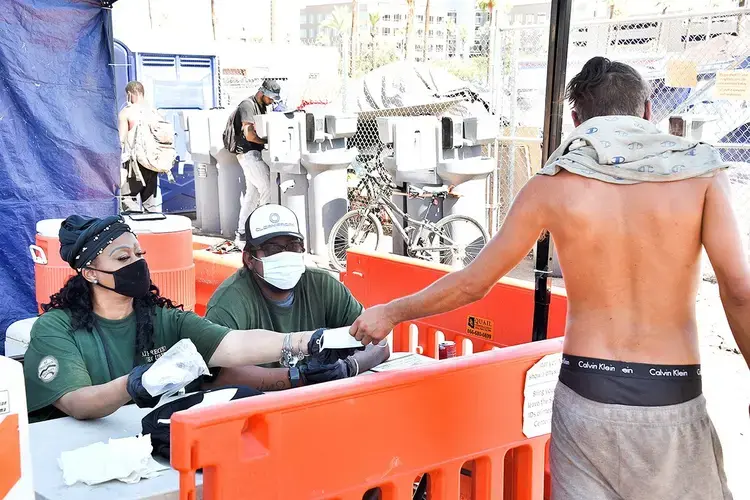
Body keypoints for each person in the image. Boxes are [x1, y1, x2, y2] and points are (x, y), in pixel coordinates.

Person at [350, 57, 748, 500]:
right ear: (648, 112)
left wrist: (392, 311)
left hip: (585, 396)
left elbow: (473, 283)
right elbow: (739, 292)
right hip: (671, 393)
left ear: (576, 119)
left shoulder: (551, 184)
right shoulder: (701, 175)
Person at [23, 215, 356, 421]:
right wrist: (135, 383)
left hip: (145, 450)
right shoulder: (56, 327)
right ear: (90, 273)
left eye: (139, 254)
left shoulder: (161, 318)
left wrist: (308, 341)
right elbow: (79, 403)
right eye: (122, 257)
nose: (137, 264)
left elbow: (234, 345)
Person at [206, 204, 390, 391]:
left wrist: (347, 367)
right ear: (249, 259)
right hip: (257, 407)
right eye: (272, 249)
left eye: (293, 246)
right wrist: (299, 378)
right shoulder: (229, 303)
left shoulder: (322, 286)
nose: (285, 255)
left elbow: (379, 343)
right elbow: (219, 374)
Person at [233, 79, 282, 244]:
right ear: (263, 92)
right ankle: (264, 229)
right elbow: (249, 135)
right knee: (267, 187)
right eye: (271, 98)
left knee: (252, 194)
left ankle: (242, 232)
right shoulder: (247, 105)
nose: (272, 101)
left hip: (253, 154)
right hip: (248, 154)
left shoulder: (260, 106)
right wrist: (269, 142)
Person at [117, 81, 160, 213]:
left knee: (127, 198)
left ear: (129, 94)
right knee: (150, 202)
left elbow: (121, 140)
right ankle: (153, 228)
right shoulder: (154, 112)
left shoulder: (126, 112)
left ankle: (136, 229)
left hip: (134, 163)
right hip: (153, 162)